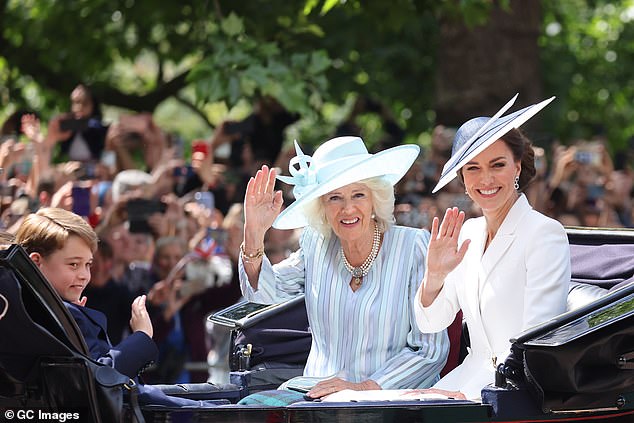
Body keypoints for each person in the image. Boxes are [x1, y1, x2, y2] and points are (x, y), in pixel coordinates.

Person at [239, 136, 449, 401]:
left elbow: (429, 350)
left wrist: (364, 388)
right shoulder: (316, 244)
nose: (348, 208)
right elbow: (265, 294)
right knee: (249, 408)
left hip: (391, 400)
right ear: (322, 207)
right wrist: (254, 233)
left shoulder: (412, 246)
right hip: (315, 395)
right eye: (335, 197)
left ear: (375, 199)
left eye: (358, 194)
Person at [414, 95, 571, 400]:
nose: (485, 179)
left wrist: (468, 395)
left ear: (517, 167)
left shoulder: (544, 234)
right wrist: (434, 277)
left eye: (497, 164)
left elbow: (533, 344)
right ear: (462, 177)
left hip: (516, 392)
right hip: (465, 381)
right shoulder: (467, 233)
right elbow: (431, 322)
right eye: (472, 168)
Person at [14, 207, 219, 407]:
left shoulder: (21, 307)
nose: (85, 275)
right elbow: (100, 381)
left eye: (88, 265)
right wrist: (142, 335)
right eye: (73, 265)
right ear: (37, 263)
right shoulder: (57, 316)